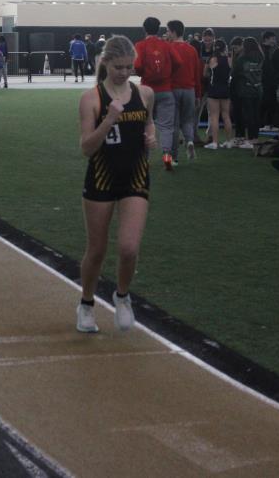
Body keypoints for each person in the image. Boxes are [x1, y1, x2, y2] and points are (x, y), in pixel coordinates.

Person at [76, 35, 155, 333]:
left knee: (129, 248)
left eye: (128, 67)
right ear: (105, 62)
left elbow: (148, 122)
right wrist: (108, 120)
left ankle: (122, 297)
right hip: (102, 177)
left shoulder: (144, 93)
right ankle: (86, 304)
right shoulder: (91, 98)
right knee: (97, 249)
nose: (124, 72)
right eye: (118, 67)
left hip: (136, 175)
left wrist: (151, 136)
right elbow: (86, 148)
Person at [134, 17, 181, 170]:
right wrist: (168, 73)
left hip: (146, 91)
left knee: (145, 125)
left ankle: (144, 159)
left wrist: (143, 74)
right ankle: (167, 157)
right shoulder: (166, 45)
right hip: (165, 90)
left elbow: (137, 65)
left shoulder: (140, 45)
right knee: (166, 127)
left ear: (144, 29)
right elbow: (178, 62)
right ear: (158, 28)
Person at [165, 20, 200, 162]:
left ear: (173, 32)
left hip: (173, 89)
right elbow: (197, 74)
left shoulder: (168, 48)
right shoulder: (192, 50)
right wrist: (198, 94)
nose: (167, 33)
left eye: (168, 31)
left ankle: (174, 157)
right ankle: (190, 141)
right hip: (189, 90)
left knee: (173, 125)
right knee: (187, 121)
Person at [230, 37, 264, 149]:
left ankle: (248, 139)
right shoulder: (261, 57)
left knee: (248, 115)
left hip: (245, 89)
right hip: (258, 89)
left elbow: (234, 73)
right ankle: (254, 138)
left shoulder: (242, 58)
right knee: (256, 115)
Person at [204, 39, 233, 149]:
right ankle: (229, 141)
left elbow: (204, 74)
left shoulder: (212, 59)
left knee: (214, 116)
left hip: (214, 89)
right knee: (226, 115)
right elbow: (231, 72)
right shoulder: (229, 59)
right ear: (224, 48)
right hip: (225, 89)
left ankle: (215, 142)